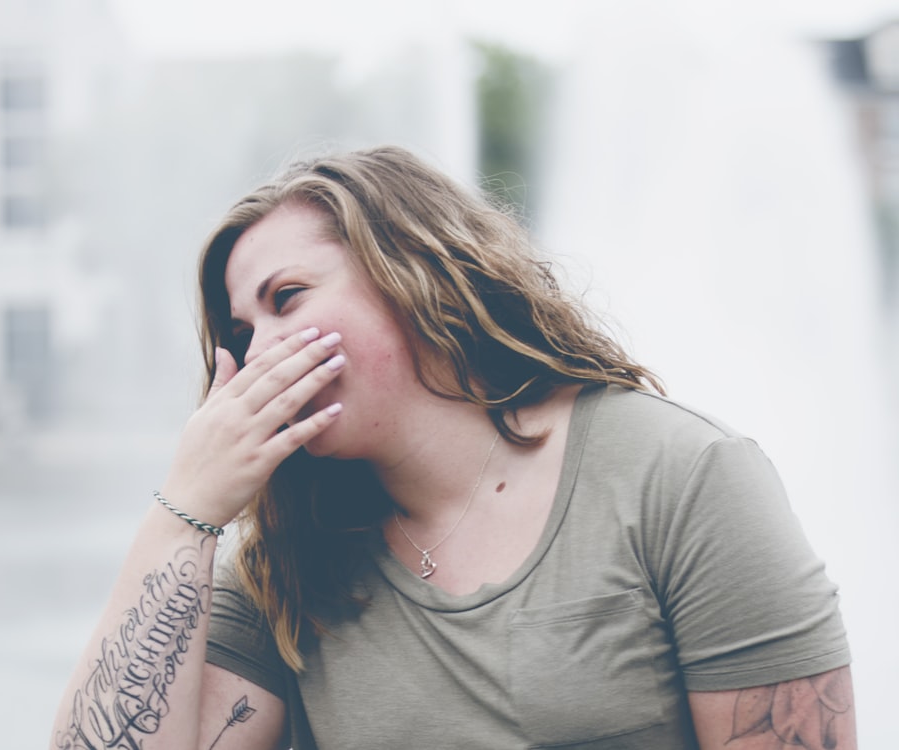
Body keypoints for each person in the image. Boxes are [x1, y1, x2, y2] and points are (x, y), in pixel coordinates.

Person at [49, 145, 856, 750]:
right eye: (240, 333)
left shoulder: (681, 477)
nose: (259, 355)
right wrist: (185, 512)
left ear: (413, 270)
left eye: (287, 299)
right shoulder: (283, 570)